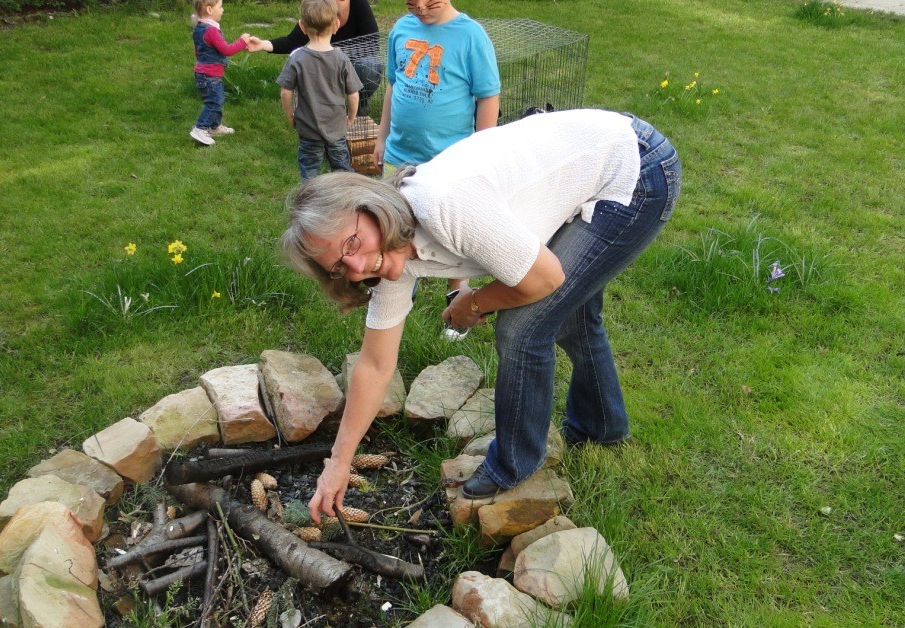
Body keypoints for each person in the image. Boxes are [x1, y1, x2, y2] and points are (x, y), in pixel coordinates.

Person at [280, 109, 682, 525]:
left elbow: (543, 279)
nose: (359, 267)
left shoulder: (443, 205)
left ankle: (516, 464)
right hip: (595, 163)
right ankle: (603, 426)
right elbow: (375, 363)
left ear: (372, 207)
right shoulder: (389, 255)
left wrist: (472, 305)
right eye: (339, 267)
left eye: (351, 243)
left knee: (523, 327)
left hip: (633, 167)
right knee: (570, 315)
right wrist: (338, 463)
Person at [376, 0, 501, 295]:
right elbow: (392, 85)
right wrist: (381, 137)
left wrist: (482, 153)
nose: (419, 7)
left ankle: (457, 296)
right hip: (399, 154)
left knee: (453, 232)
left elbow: (488, 97)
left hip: (449, 161)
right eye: (411, 2)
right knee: (394, 226)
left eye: (429, 1)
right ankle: (398, 291)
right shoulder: (401, 28)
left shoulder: (471, 36)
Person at [276, 0, 363, 180]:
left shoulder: (297, 58)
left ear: (302, 26)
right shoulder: (341, 58)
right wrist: (351, 118)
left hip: (307, 128)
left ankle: (309, 203)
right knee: (341, 170)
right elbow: (354, 96)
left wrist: (290, 116)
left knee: (309, 172)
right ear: (336, 25)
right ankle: (342, 201)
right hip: (336, 127)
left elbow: (286, 92)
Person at [247, 0, 381, 116]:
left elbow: (372, 42)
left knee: (371, 66)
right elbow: (292, 41)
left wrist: (339, 54)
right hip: (323, 63)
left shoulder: (359, 4)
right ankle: (321, 110)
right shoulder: (318, 7)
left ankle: (359, 106)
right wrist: (263, 44)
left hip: (352, 60)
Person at [190, 0, 250, 146]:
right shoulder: (211, 30)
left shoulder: (199, 28)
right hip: (209, 76)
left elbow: (198, 51)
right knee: (214, 101)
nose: (223, 10)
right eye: (220, 6)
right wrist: (242, 41)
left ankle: (215, 126)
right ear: (210, 10)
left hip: (204, 73)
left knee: (217, 99)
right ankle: (200, 128)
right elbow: (226, 50)